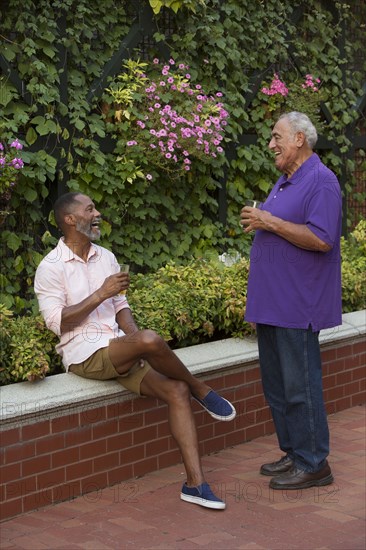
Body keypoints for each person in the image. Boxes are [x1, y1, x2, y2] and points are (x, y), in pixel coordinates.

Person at [34, 192, 236, 510]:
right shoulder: (51, 267)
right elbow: (57, 323)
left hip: (117, 349)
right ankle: (202, 388)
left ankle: (196, 484)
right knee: (151, 340)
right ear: (70, 219)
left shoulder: (106, 257)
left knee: (176, 389)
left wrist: (133, 340)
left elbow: (121, 306)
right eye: (90, 209)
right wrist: (104, 294)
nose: (98, 213)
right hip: (83, 354)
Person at [240, 112, 342, 490]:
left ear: (299, 138)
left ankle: (315, 463)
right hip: (271, 304)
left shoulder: (322, 181)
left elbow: (322, 239)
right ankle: (295, 452)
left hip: (298, 305)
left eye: (277, 136)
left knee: (300, 387)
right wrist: (265, 223)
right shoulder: (286, 181)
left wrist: (269, 222)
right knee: (278, 387)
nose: (271, 144)